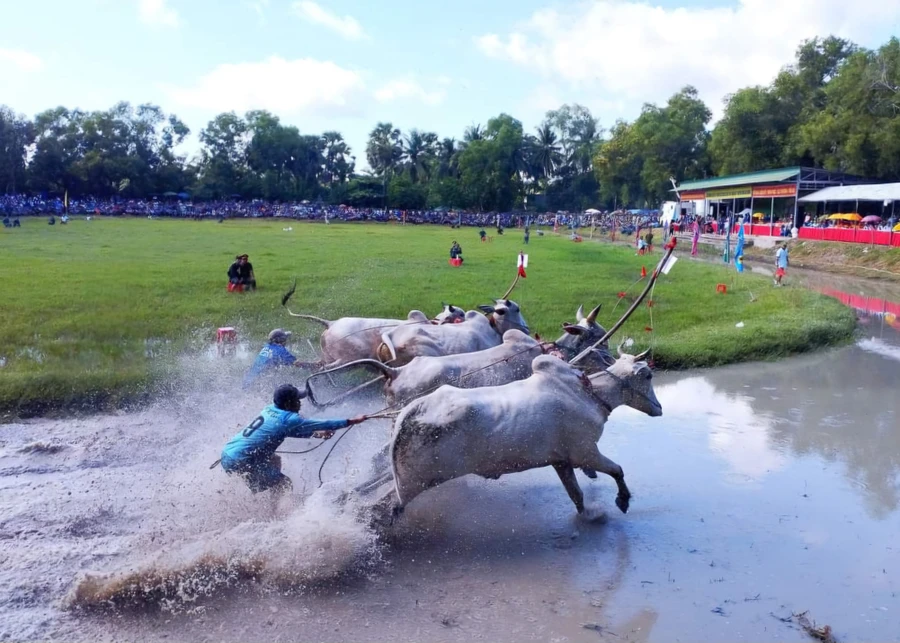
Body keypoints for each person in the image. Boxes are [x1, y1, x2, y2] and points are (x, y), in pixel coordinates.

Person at [220, 384, 367, 494]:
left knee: (274, 459)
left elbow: (285, 430)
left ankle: (264, 493)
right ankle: (276, 517)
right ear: (288, 403)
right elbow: (323, 424)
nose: (300, 403)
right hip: (242, 460)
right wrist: (352, 421)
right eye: (297, 400)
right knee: (284, 483)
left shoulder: (270, 409)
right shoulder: (290, 419)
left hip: (228, 453)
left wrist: (316, 434)